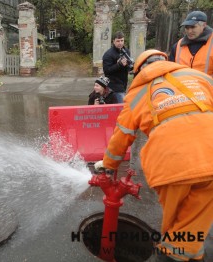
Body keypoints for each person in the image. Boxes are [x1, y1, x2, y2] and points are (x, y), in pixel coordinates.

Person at [95, 49, 213, 261]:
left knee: (174, 227)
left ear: (138, 71)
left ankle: (169, 256)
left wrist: (108, 165)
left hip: (172, 166)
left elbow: (122, 136)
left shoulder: (137, 94)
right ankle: (188, 255)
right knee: (192, 226)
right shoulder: (200, 77)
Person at [168, 10, 213, 76]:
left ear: (204, 25)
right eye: (187, 27)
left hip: (206, 86)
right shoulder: (177, 46)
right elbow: (170, 71)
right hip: (180, 85)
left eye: (193, 27)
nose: (189, 31)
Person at [102, 31, 132, 103]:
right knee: (122, 108)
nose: (120, 43)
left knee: (121, 107)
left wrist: (129, 65)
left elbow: (127, 67)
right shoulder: (108, 54)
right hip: (113, 85)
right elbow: (106, 71)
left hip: (123, 84)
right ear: (113, 41)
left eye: (122, 40)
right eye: (118, 41)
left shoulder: (126, 51)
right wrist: (119, 65)